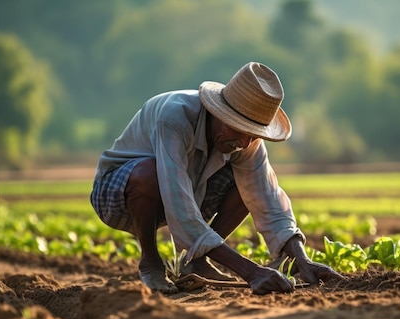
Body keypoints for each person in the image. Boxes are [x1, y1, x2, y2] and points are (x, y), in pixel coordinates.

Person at [90, 62, 343, 294]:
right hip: (119, 194)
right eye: (240, 129)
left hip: (188, 188)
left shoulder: (246, 142)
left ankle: (198, 261)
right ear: (219, 113)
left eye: (253, 134)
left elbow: (267, 198)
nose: (244, 142)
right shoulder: (175, 117)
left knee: (246, 187)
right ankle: (150, 261)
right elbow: (180, 207)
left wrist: (301, 258)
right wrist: (251, 272)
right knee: (148, 172)